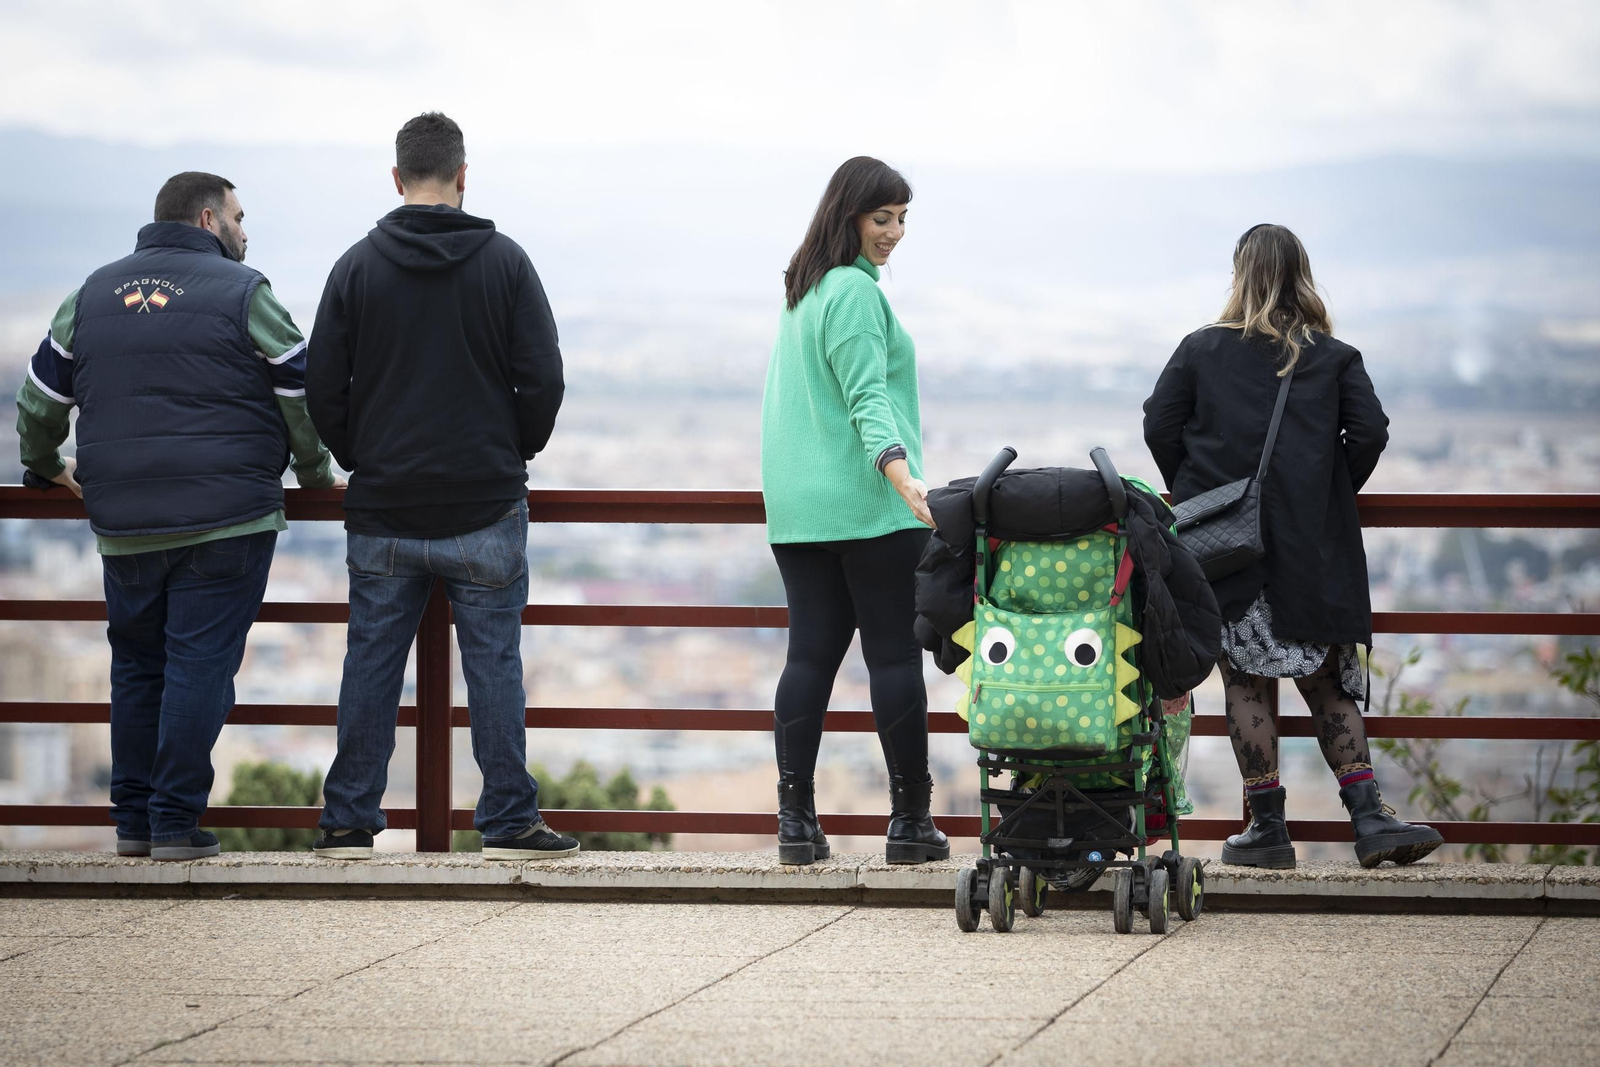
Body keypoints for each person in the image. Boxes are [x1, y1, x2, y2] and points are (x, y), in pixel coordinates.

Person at [14, 172, 340, 860]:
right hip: (227, 520)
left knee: (137, 669)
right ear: (207, 219)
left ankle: (133, 823)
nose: (246, 231)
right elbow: (300, 390)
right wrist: (314, 475)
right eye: (239, 217)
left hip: (124, 522)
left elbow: (39, 398)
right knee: (199, 667)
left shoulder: (91, 294)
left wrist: (44, 465)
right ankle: (173, 823)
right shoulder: (245, 293)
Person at [306, 112, 575, 861]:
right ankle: (510, 820)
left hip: (384, 506)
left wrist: (362, 455)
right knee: (493, 664)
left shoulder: (355, 267)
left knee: (371, 662)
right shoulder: (507, 263)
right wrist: (512, 450)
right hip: (485, 501)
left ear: (397, 178)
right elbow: (544, 379)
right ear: (462, 175)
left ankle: (348, 820)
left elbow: (322, 387)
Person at [1143, 223, 1442, 869]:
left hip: (1229, 550)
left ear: (1239, 275)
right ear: (1301, 276)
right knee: (1327, 680)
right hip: (1311, 547)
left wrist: (1203, 494)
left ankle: (1268, 829)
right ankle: (1369, 818)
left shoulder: (1201, 349)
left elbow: (1159, 424)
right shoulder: (1334, 357)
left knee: (1245, 681)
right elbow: (1370, 433)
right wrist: (1323, 494)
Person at [760, 156, 947, 866]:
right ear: (850, 216)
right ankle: (911, 823)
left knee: (807, 658)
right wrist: (903, 477)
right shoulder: (855, 292)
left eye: (901, 218)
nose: (894, 232)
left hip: (800, 512)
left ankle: (795, 823)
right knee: (893, 658)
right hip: (869, 508)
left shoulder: (802, 291)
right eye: (881, 217)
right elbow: (869, 399)